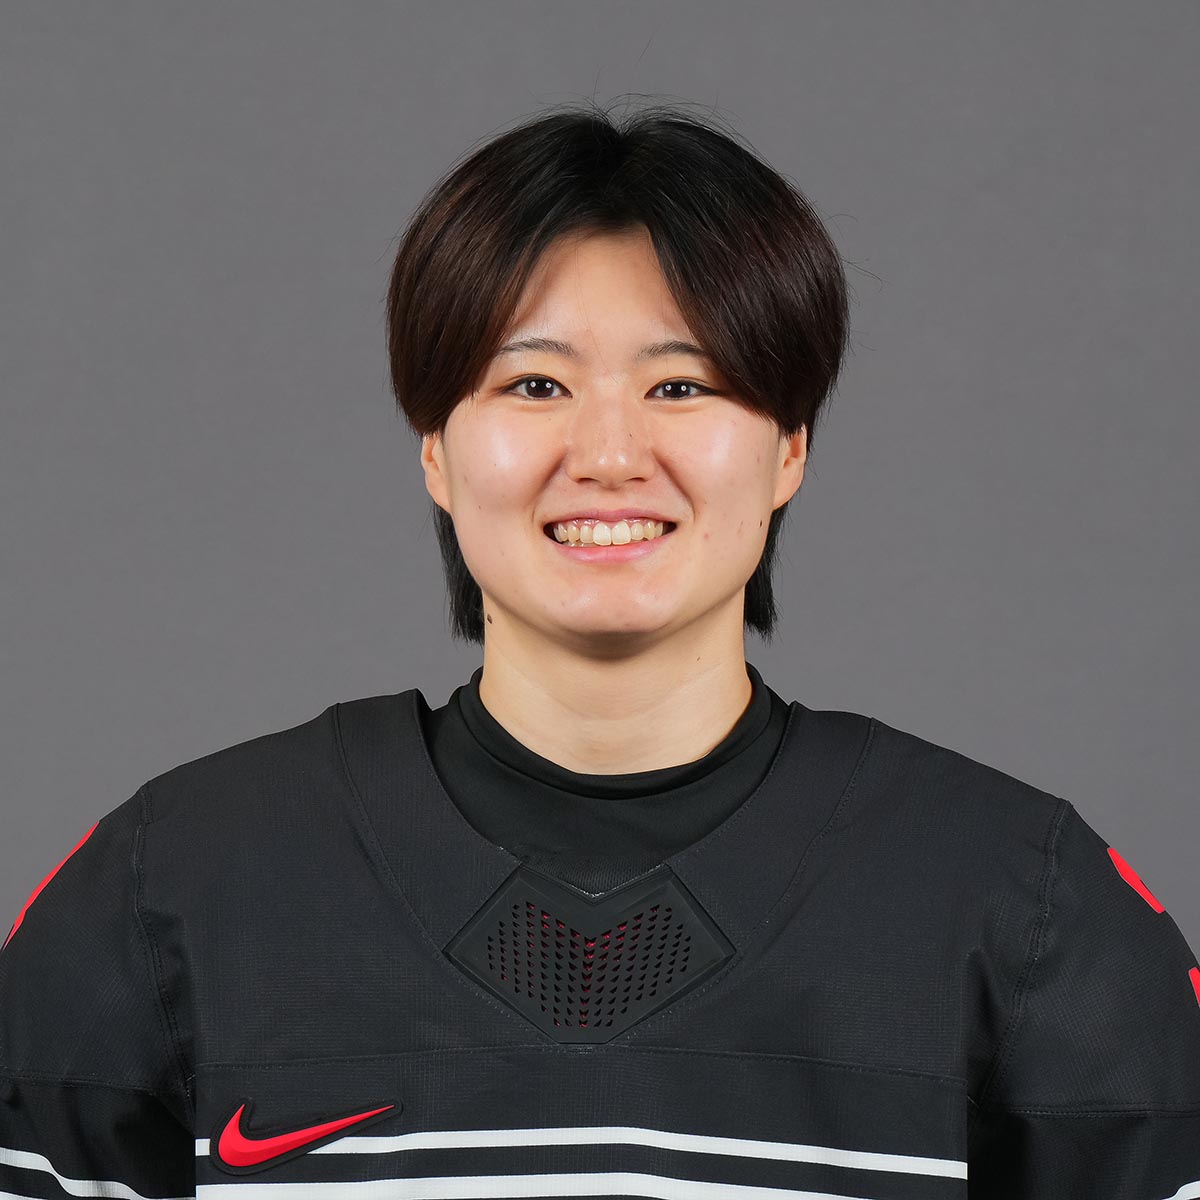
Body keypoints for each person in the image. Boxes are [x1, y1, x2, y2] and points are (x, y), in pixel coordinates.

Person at [2, 99, 1198, 1198]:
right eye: (534, 386)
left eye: (682, 388)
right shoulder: (173, 890)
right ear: (435, 446)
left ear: (789, 445)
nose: (611, 455)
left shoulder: (1025, 907)